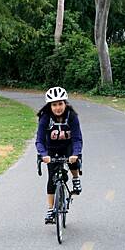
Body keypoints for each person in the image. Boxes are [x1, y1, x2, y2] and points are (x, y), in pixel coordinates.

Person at [35, 86, 83, 224]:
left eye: (60, 104)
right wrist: (43, 155)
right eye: (54, 105)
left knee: (73, 159)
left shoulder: (71, 116)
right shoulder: (45, 118)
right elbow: (39, 140)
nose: (58, 108)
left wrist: (76, 153)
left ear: (65, 103)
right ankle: (50, 209)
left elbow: (77, 138)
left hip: (68, 146)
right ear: (49, 106)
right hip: (51, 149)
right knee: (51, 179)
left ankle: (75, 178)